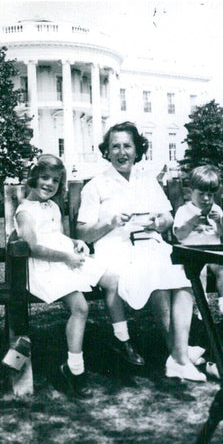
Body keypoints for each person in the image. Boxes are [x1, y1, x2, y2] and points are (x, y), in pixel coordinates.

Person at [76, 122, 207, 382]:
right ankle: (181, 357)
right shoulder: (96, 186)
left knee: (182, 281)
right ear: (107, 151)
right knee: (157, 277)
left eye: (127, 146)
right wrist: (110, 223)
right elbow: (82, 233)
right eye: (115, 146)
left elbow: (168, 218)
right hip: (116, 251)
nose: (121, 152)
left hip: (151, 244)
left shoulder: (147, 182)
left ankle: (178, 356)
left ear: (137, 150)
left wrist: (160, 222)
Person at [14, 154, 143, 399]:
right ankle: (74, 369)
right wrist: (66, 257)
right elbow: (33, 247)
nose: (49, 184)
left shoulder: (52, 206)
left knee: (111, 278)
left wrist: (76, 243)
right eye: (44, 177)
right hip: (44, 267)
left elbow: (55, 236)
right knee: (80, 308)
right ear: (33, 178)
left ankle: (121, 339)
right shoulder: (25, 211)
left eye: (55, 180)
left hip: (65, 259)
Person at [172, 165, 223, 320]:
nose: (206, 199)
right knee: (198, 273)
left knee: (222, 269)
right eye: (201, 194)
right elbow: (179, 235)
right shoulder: (184, 210)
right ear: (191, 192)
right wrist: (192, 222)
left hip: (213, 251)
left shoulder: (216, 210)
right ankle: (202, 306)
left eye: (210, 194)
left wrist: (220, 221)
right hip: (192, 253)